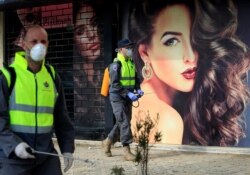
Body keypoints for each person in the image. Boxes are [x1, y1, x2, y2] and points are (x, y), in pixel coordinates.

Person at [129, 0, 250, 146]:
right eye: (172, 41)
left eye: (194, 39)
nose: (191, 56)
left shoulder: (138, 99)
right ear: (145, 53)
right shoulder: (166, 120)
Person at [0, 25, 75, 174]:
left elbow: (62, 117)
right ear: (24, 43)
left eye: (43, 41)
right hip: (14, 156)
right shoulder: (8, 76)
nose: (39, 45)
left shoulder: (52, 76)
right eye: (34, 41)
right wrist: (14, 145)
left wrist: (67, 149)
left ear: (48, 44)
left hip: (45, 155)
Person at [102, 38, 144, 161]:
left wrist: (138, 89)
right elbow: (115, 85)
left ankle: (108, 141)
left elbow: (135, 79)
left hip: (127, 96)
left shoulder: (131, 63)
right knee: (124, 122)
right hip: (117, 97)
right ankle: (126, 150)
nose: (131, 50)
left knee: (123, 122)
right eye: (128, 48)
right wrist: (128, 94)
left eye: (131, 47)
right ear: (120, 50)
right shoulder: (116, 65)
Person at [73, 1, 105, 132]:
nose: (92, 35)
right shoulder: (70, 77)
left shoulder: (107, 69)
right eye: (81, 31)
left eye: (94, 23)